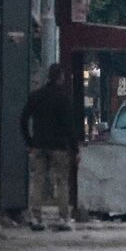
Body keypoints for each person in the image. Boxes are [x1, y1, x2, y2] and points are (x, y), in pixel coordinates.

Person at [20, 63, 78, 230]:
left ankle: (36, 218)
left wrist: (29, 142)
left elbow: (23, 119)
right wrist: (75, 149)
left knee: (38, 180)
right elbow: (69, 126)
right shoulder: (63, 98)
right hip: (59, 146)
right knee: (61, 182)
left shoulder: (36, 96)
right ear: (60, 77)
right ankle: (63, 218)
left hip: (39, 144)